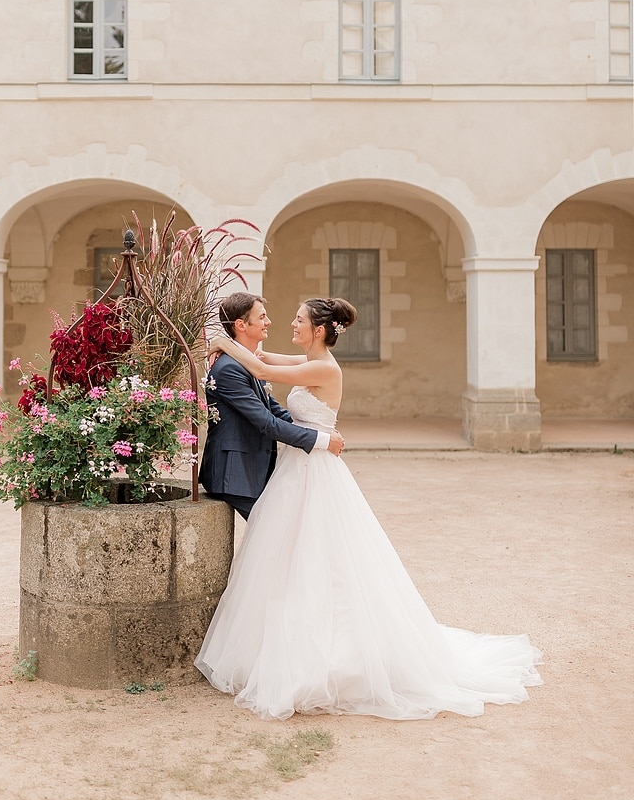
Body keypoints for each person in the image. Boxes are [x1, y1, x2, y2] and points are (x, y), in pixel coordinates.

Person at [195, 296, 543, 721]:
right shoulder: (308, 359)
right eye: (275, 317)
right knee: (292, 552)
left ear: (319, 330)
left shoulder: (323, 367)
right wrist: (225, 345)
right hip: (296, 466)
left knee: (318, 554)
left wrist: (218, 339)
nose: (289, 322)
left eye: (299, 319)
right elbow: (261, 358)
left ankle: (332, 654)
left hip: (314, 466)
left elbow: (264, 370)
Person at [199, 292, 344, 520]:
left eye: (299, 320)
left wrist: (318, 432)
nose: (270, 322)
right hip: (235, 473)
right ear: (241, 325)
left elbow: (270, 406)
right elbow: (268, 422)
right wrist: (322, 439)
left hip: (255, 468)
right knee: (279, 528)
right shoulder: (231, 367)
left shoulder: (249, 361)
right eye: (262, 316)